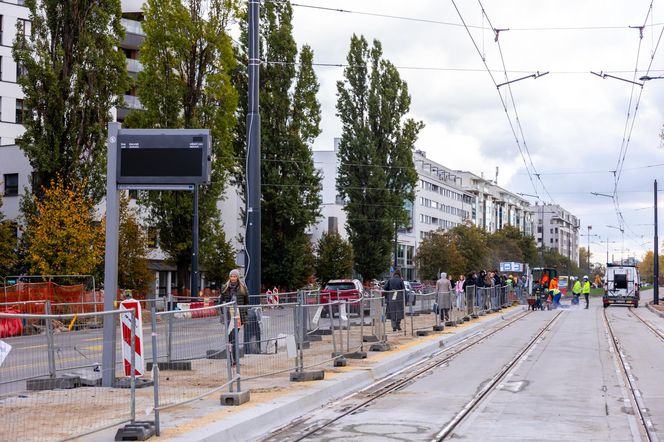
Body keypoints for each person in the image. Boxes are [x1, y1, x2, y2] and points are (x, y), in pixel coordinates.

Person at [219, 269, 251, 357]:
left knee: (234, 337)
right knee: (229, 337)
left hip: (238, 317)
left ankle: (235, 359)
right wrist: (223, 313)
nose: (233, 278)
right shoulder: (225, 287)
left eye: (235, 276)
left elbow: (247, 302)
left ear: (237, 277)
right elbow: (221, 301)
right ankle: (232, 359)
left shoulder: (243, 288)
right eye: (231, 276)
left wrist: (243, 312)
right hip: (228, 316)